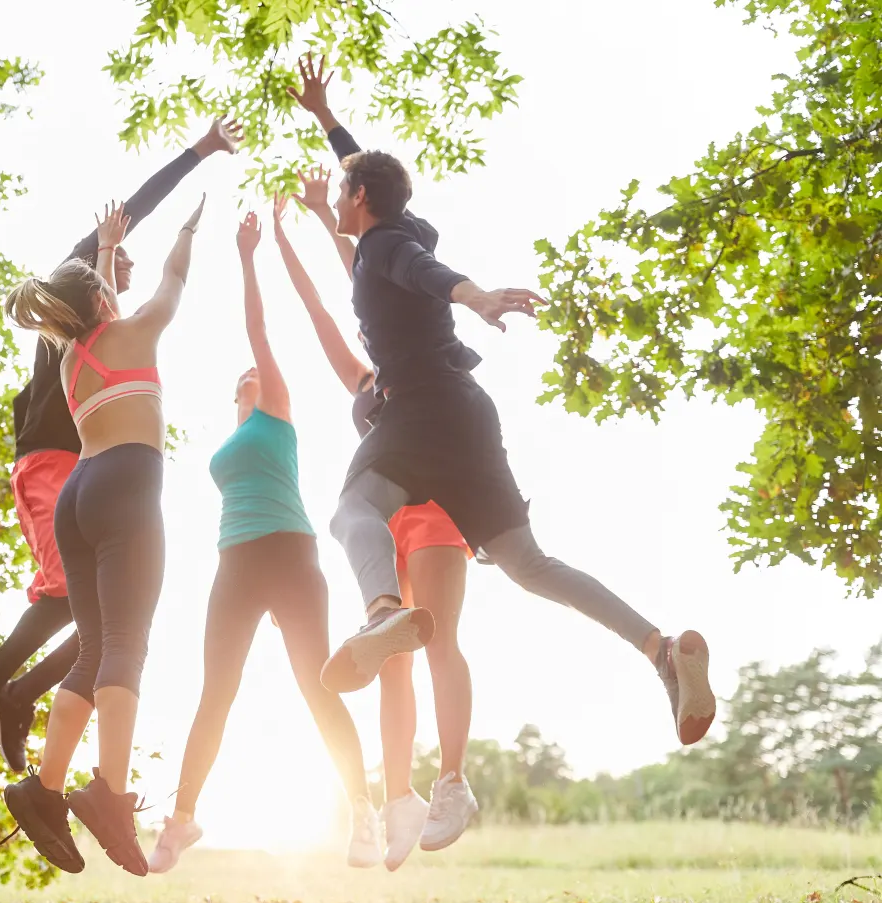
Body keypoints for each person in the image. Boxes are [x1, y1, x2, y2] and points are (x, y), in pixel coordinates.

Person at [286, 55, 715, 747]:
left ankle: (382, 611)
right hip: (466, 414)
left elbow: (427, 273)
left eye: (341, 192)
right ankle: (658, 648)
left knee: (352, 510)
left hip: (421, 407)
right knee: (529, 564)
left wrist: (475, 294)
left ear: (359, 198)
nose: (334, 200)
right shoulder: (393, 232)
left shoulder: (392, 247)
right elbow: (386, 213)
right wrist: (329, 121)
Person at [0, 119, 244, 773]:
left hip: (86, 474)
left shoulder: (98, 332)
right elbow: (133, 211)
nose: (125, 265)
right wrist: (198, 152)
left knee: (108, 620)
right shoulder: (73, 297)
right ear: (91, 271)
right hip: (51, 467)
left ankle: (21, 693)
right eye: (116, 260)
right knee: (66, 601)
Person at [146, 212, 380, 875]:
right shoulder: (230, 438)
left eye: (261, 368)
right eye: (247, 372)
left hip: (290, 553)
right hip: (234, 561)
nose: (257, 368)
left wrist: (251, 253)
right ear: (236, 392)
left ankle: (362, 811)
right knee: (214, 690)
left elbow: (259, 329)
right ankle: (182, 819)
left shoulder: (277, 409)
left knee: (316, 686)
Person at [0, 195, 207, 876]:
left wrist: (108, 256)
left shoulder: (71, 361)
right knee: (126, 646)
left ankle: (44, 789)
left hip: (77, 498)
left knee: (94, 648)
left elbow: (99, 307)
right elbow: (173, 284)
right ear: (102, 301)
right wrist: (184, 232)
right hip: (125, 487)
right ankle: (109, 792)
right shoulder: (136, 332)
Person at [274, 182, 476, 864]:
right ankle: (400, 801)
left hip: (439, 506)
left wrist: (328, 224)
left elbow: (362, 270)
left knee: (441, 641)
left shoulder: (417, 373)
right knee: (391, 659)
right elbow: (325, 308)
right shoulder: (365, 382)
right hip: (386, 519)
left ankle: (452, 780)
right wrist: (287, 238)